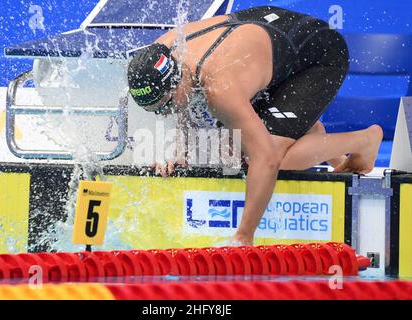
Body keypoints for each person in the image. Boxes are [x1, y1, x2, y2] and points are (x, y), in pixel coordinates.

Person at [127, 6, 383, 245]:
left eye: (164, 106)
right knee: (232, 142)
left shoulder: (220, 89)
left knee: (270, 155)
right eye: (155, 110)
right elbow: (182, 97)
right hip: (267, 36)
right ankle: (306, 130)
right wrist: (177, 148)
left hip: (318, 52)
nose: (164, 113)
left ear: (177, 81)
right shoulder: (161, 51)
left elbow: (267, 160)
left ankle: (364, 141)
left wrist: (243, 236)